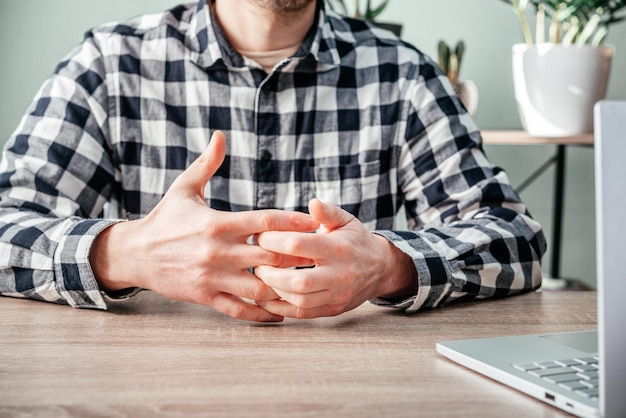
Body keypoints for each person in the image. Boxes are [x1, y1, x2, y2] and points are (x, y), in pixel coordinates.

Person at [0, 0, 546, 322]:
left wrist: (389, 264)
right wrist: (123, 253)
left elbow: (514, 239)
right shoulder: (108, 64)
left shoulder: (402, 73)